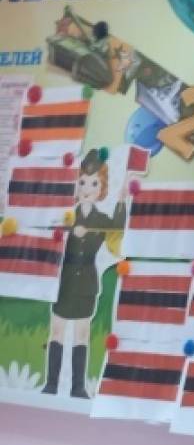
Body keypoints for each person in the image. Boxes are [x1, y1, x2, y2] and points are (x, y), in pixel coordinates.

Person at [41, 149, 126, 398]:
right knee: (57, 330)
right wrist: (70, 231)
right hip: (64, 279)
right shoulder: (67, 215)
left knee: (82, 333)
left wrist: (122, 201)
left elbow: (116, 230)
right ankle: (51, 383)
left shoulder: (101, 219)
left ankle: (78, 387)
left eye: (94, 183)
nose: (87, 188)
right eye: (82, 182)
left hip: (87, 280)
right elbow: (51, 232)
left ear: (101, 188)